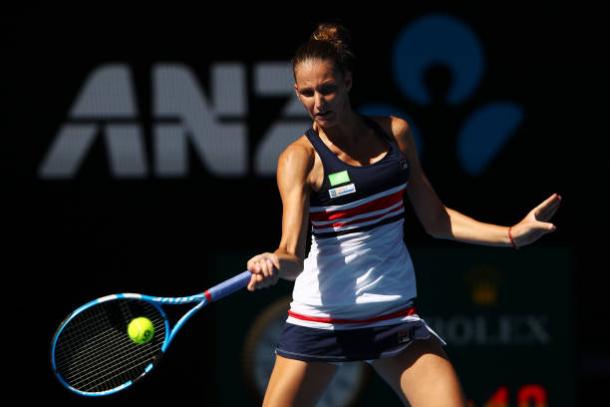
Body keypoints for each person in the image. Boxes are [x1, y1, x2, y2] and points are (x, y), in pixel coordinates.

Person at [245, 22, 561, 407]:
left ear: (347, 80)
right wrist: (274, 264)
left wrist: (512, 234)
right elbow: (292, 255)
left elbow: (437, 220)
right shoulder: (298, 159)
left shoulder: (394, 133)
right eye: (307, 93)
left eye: (327, 89)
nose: (318, 103)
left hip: (392, 315)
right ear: (297, 92)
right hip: (322, 319)